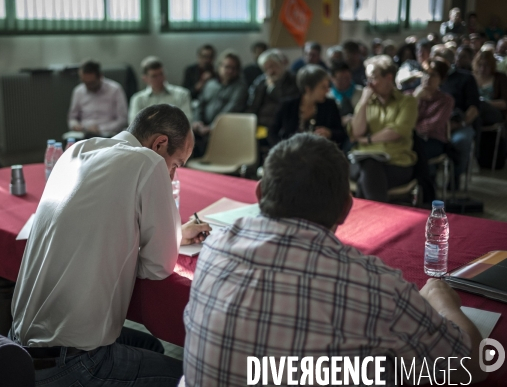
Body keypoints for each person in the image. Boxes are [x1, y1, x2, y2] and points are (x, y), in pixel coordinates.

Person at [183, 132, 486, 387]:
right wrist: (442, 300)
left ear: (260, 193)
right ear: (345, 209)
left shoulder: (215, 246)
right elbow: (464, 367)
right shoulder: (372, 285)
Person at [11, 104, 211, 387]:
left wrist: (176, 233)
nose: (173, 176)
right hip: (71, 362)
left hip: (16, 348)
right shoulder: (149, 162)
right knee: (194, 378)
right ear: (160, 143)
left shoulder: (76, 151)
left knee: (150, 346)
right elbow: (157, 267)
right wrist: (161, 240)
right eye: (176, 165)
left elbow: (96, 221)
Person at [348, 55, 417, 203]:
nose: (369, 85)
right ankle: (379, 215)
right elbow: (356, 132)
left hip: (396, 162)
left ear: (389, 77)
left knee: (368, 173)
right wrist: (364, 101)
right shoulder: (367, 102)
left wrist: (368, 140)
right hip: (363, 160)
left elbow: (398, 131)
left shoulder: (407, 102)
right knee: (369, 167)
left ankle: (368, 217)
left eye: (373, 78)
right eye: (367, 79)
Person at [432, 45, 480, 189]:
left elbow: (474, 108)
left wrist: (460, 124)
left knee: (461, 141)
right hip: (433, 125)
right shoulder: (429, 79)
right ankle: (428, 179)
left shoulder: (466, 78)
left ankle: (455, 178)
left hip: (458, 124)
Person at [268, 64, 347, 150]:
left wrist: (330, 133)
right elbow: (272, 132)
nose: (328, 91)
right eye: (323, 87)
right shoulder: (287, 105)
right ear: (308, 89)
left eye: (328, 86)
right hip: (291, 154)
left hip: (320, 154)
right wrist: (282, 149)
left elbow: (342, 134)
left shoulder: (330, 105)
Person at [193, 50, 247, 157]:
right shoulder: (210, 84)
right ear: (219, 67)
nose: (230, 71)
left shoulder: (240, 87)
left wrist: (213, 127)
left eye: (233, 68)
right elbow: (200, 105)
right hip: (203, 128)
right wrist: (197, 122)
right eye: (227, 67)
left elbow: (232, 109)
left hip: (226, 131)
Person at [412, 59, 454, 179]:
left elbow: (432, 124)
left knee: (417, 153)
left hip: (433, 140)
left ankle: (426, 189)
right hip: (411, 139)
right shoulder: (411, 95)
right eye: (425, 73)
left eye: (433, 75)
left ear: (441, 79)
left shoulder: (446, 100)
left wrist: (409, 129)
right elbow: (403, 119)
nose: (427, 78)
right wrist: (415, 98)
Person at [68, 60, 128, 137]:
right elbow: (72, 118)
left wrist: (100, 129)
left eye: (91, 83)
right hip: (84, 133)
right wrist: (75, 125)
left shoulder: (115, 90)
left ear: (100, 76)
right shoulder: (78, 91)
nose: (88, 86)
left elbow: (122, 120)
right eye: (84, 82)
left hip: (108, 134)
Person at [129, 56, 192, 124]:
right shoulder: (138, 99)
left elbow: (187, 121)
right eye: (154, 76)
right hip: (149, 134)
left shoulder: (181, 94)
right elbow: (134, 125)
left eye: (161, 74)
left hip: (176, 134)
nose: (159, 78)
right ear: (145, 79)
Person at [246, 49, 299, 129]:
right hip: (259, 123)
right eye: (266, 69)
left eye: (272, 66)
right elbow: (252, 105)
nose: (270, 71)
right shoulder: (261, 81)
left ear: (281, 63)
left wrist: (273, 88)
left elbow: (285, 104)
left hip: (280, 124)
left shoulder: (293, 80)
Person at [473, 50, 507, 123]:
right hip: (474, 112)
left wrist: (485, 103)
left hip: (494, 112)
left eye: (486, 65)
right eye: (480, 65)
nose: (482, 69)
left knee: (478, 108)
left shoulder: (500, 78)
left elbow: (504, 103)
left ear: (492, 65)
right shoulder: (471, 78)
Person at [327, 61, 363, 126]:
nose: (344, 82)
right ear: (332, 79)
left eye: (347, 78)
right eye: (340, 79)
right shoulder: (328, 96)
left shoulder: (361, 93)